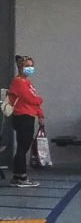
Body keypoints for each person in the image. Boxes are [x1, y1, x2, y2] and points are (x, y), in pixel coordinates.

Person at [8, 55, 43, 187]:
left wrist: (40, 114)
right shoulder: (18, 82)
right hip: (23, 116)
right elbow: (31, 99)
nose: (30, 68)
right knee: (22, 147)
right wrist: (40, 100)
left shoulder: (27, 82)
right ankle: (21, 177)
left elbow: (34, 102)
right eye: (27, 66)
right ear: (20, 67)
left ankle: (18, 175)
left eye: (31, 65)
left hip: (29, 115)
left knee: (23, 147)